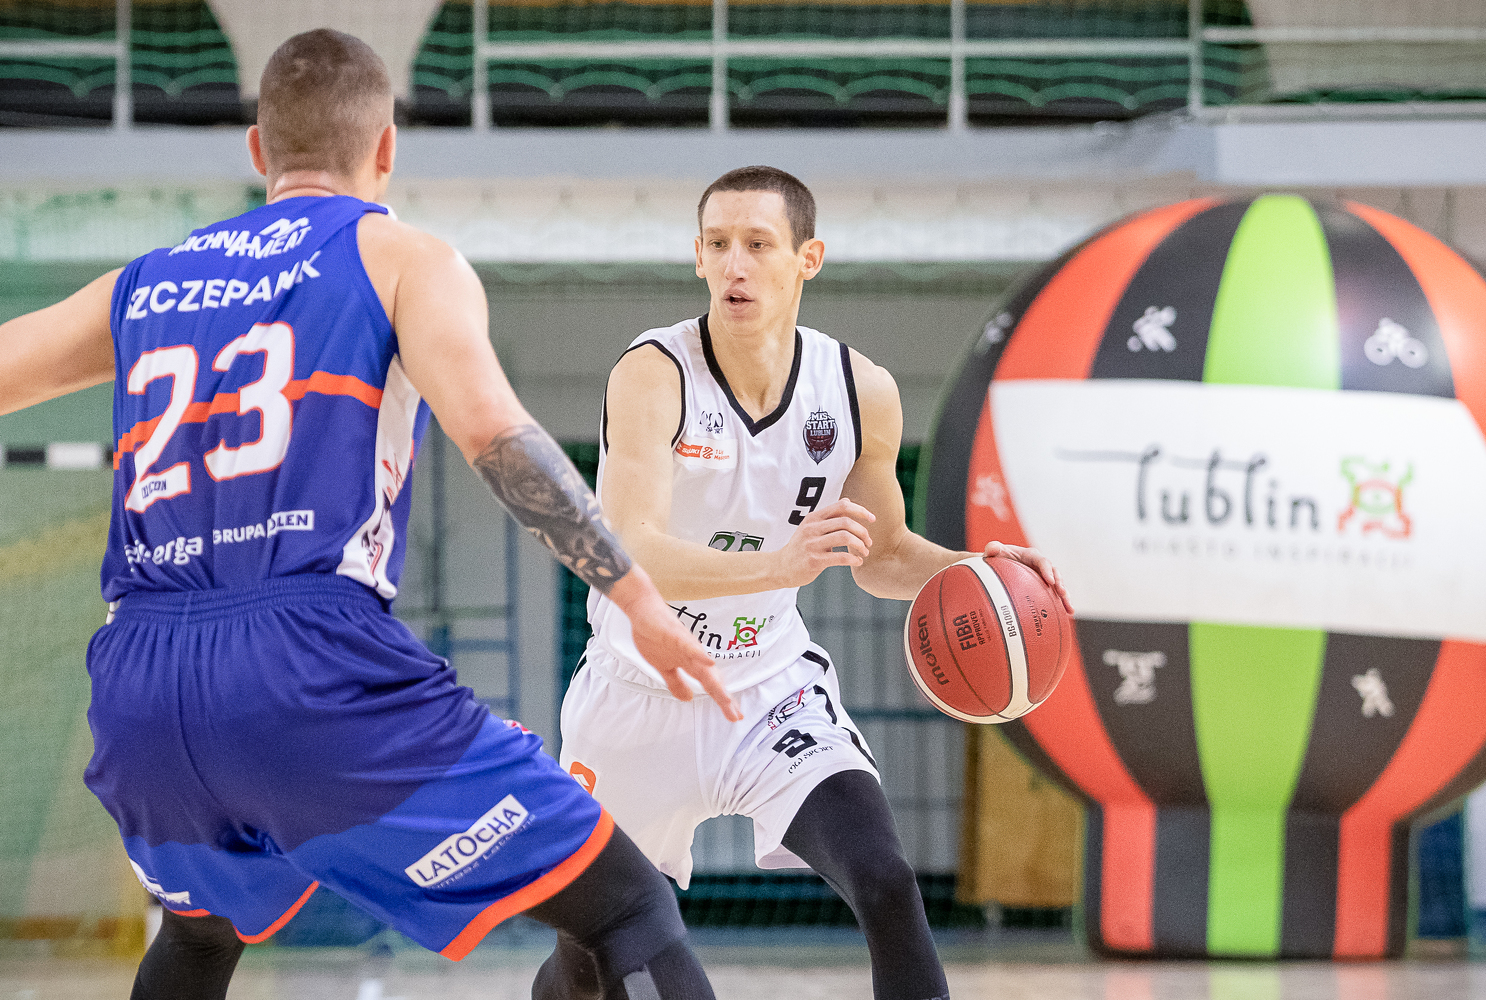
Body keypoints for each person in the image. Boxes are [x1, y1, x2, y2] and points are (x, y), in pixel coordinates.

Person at [0, 29, 742, 1000]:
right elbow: (496, 435)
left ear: (258, 149)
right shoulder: (399, 258)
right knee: (628, 908)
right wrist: (636, 594)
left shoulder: (146, 283)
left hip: (141, 686)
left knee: (198, 935)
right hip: (307, 662)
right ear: (386, 147)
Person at [550, 166, 1073, 1000]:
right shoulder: (653, 373)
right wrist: (779, 566)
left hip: (769, 690)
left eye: (758, 244)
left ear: (808, 259)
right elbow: (628, 550)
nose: (736, 265)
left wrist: (978, 569)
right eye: (718, 245)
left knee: (886, 881)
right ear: (697, 257)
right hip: (637, 695)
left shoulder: (860, 392)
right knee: (588, 954)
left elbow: (880, 554)